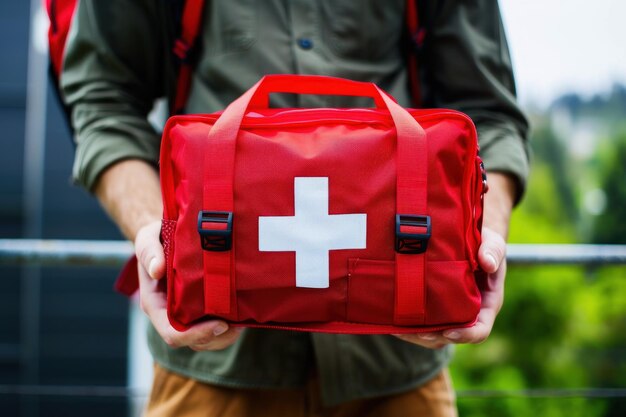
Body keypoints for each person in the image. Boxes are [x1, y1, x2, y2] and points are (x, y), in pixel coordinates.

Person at [60, 1, 529, 416]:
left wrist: (480, 242)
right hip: (208, 370)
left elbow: (488, 115)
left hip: (401, 374)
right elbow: (104, 104)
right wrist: (156, 239)